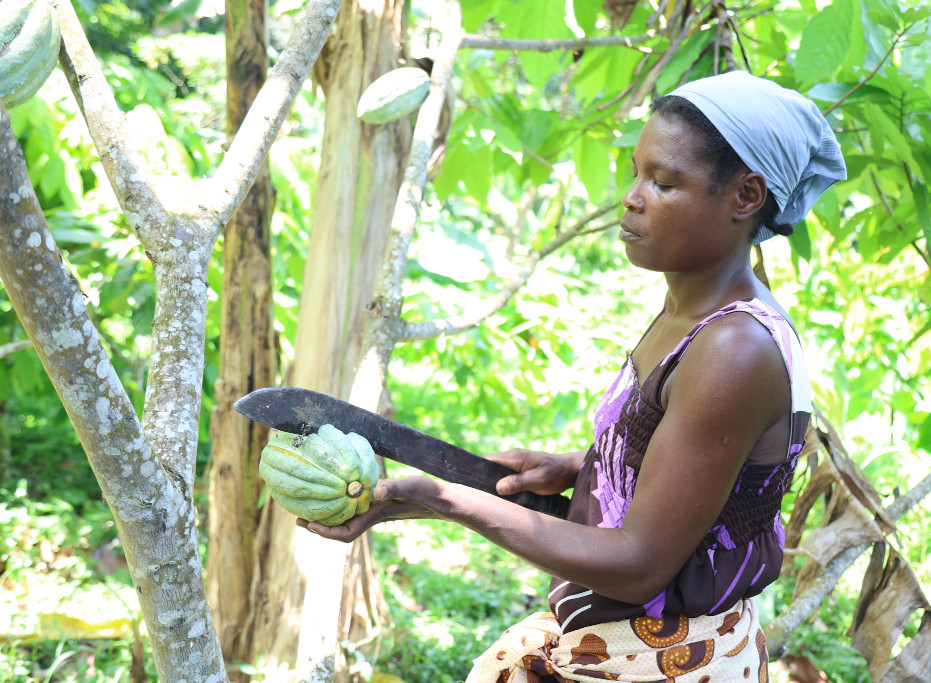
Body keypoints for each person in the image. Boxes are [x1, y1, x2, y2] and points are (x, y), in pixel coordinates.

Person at [298, 70, 847, 682]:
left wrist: (443, 499)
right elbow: (696, 462)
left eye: (663, 182)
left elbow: (640, 563)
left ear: (745, 197)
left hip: (665, 660)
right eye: (637, 172)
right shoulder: (690, 311)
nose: (633, 198)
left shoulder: (734, 349)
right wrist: (588, 466)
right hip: (619, 635)